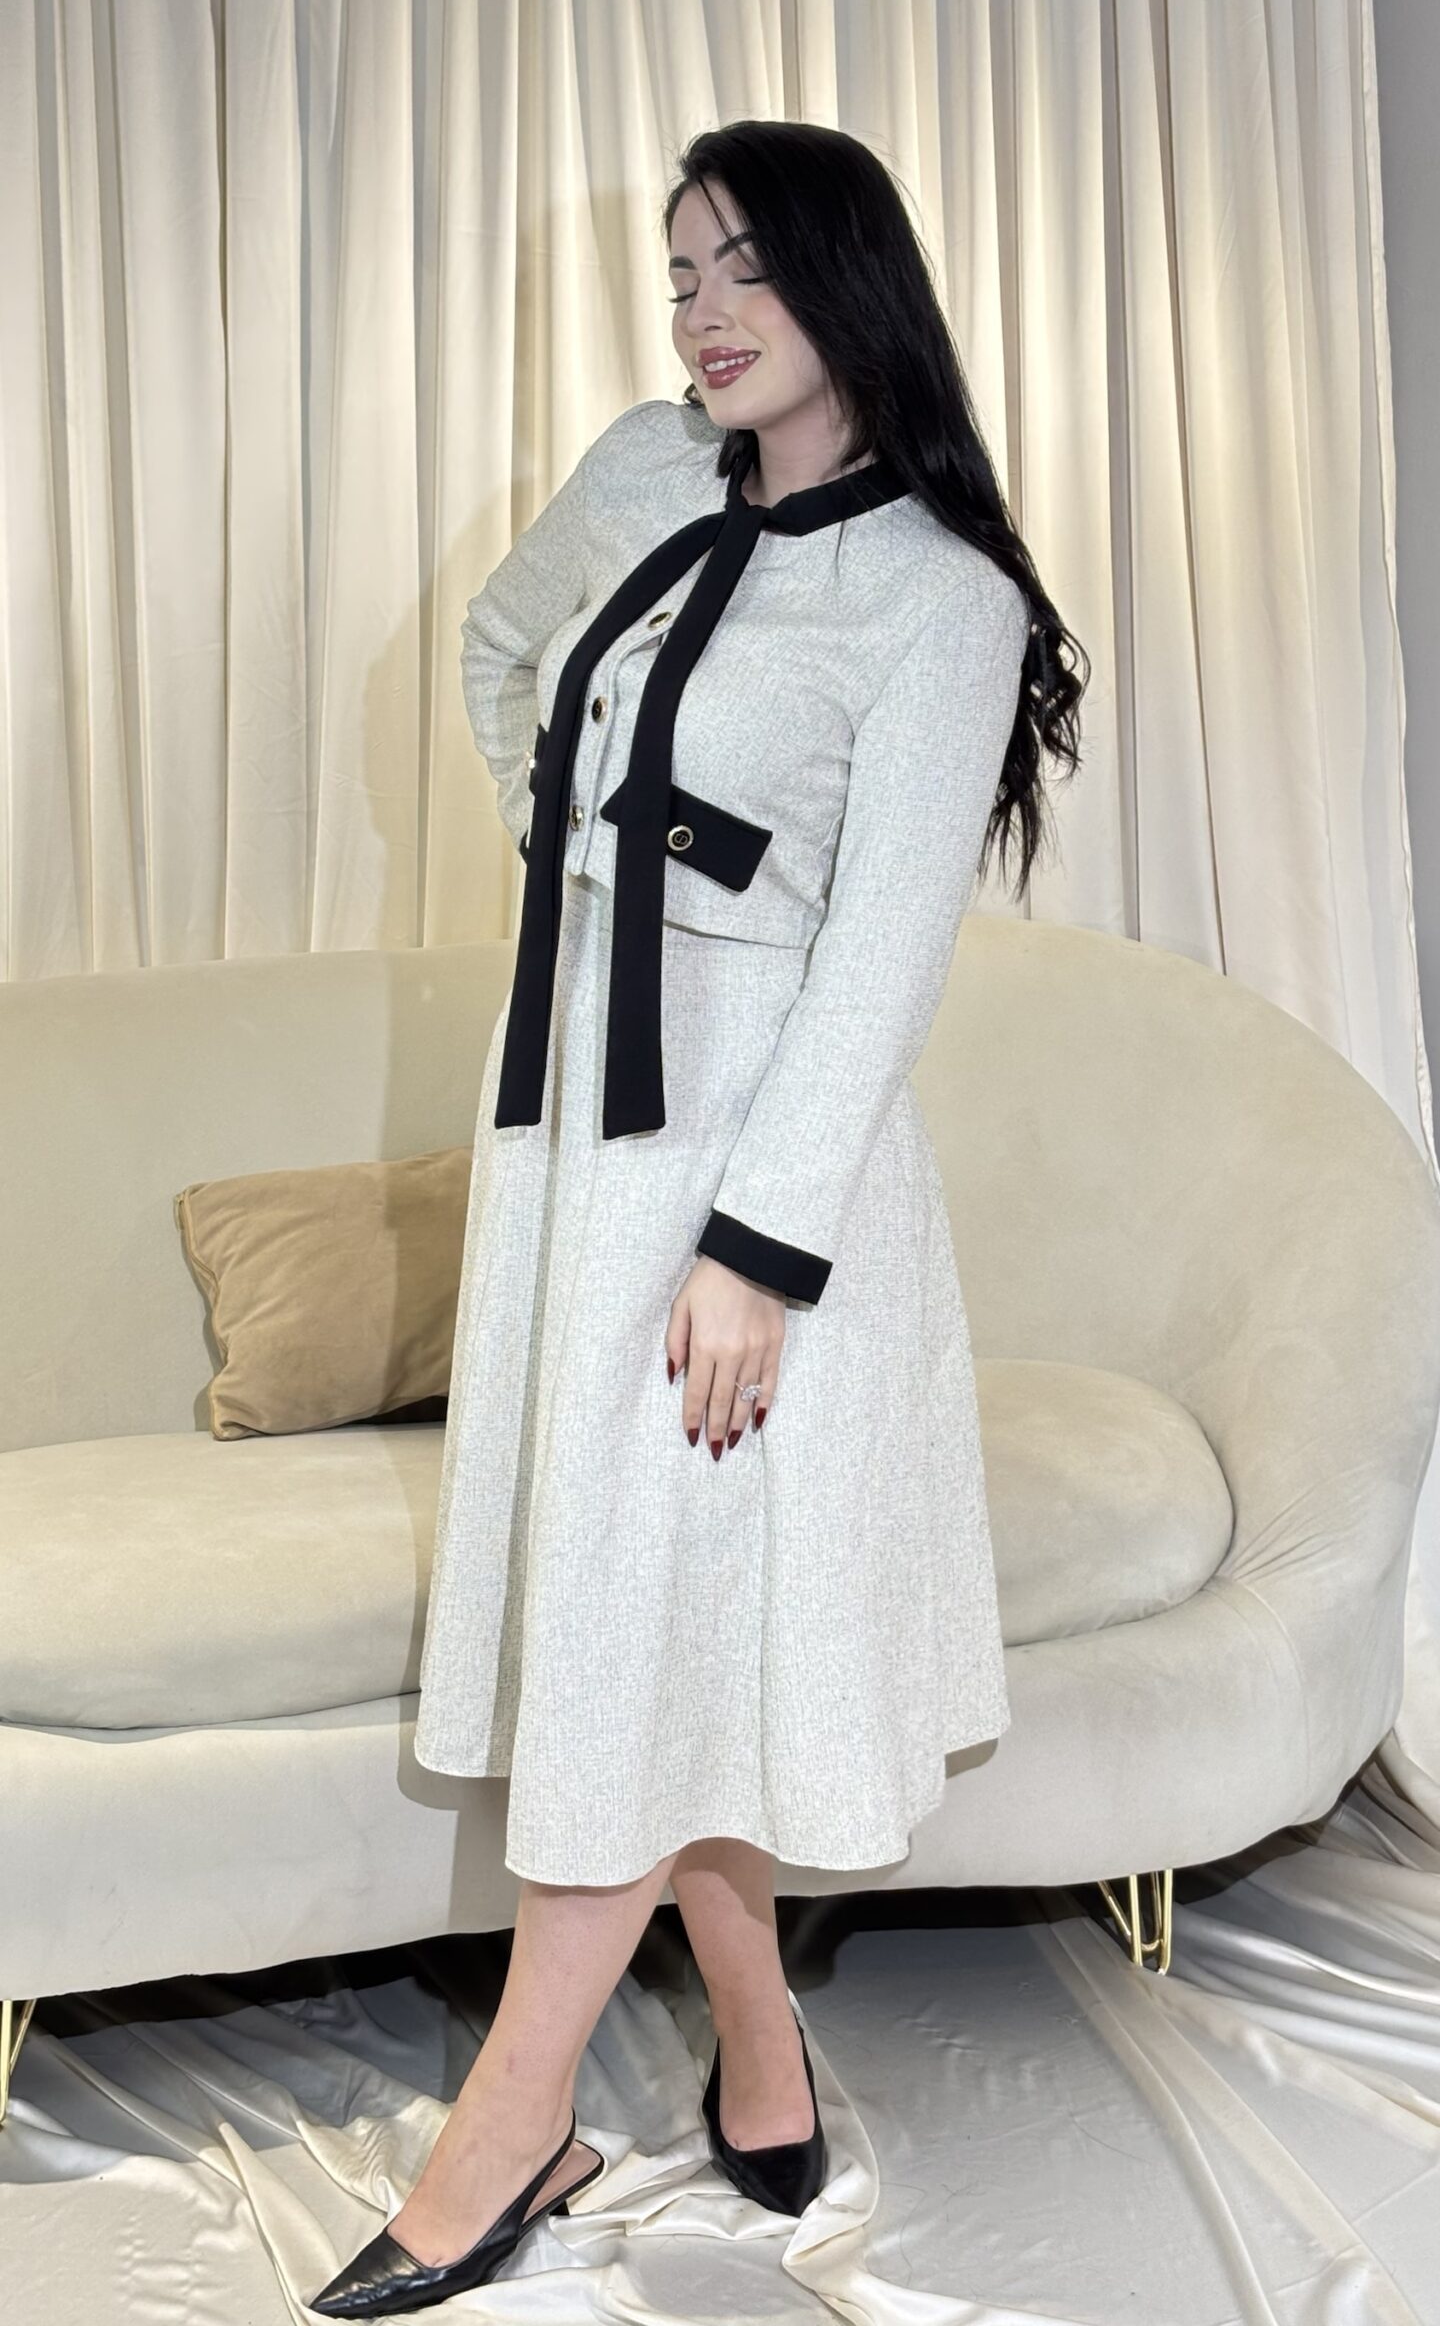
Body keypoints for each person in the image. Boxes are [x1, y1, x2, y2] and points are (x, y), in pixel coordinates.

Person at [310, 119, 1087, 2317]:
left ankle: (513, 2123)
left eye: (745, 264)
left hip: (755, 1166)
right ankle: (759, 2035)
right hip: (575, 1124)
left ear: (850, 278)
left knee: (647, 1609)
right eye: (679, 274)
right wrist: (584, 846)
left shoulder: (939, 598)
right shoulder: (652, 475)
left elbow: (884, 958)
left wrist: (759, 1251)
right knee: (653, 1609)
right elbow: (505, 654)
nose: (706, 312)